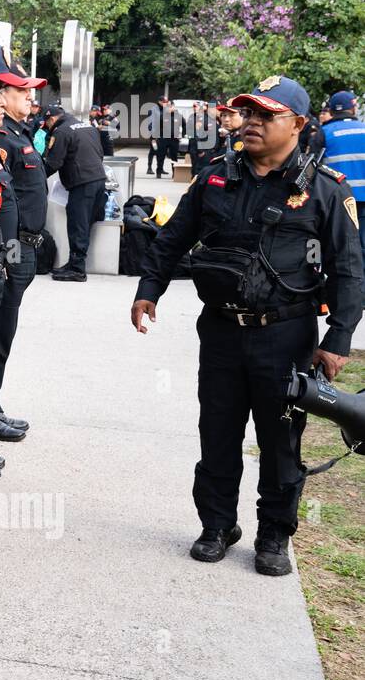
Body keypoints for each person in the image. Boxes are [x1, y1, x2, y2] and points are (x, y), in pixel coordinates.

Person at [132, 76, 363, 576]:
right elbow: (173, 238)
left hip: (286, 336)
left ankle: (274, 535)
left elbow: (349, 269)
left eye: (266, 115)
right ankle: (217, 525)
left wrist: (338, 338)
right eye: (247, 114)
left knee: (280, 442)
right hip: (220, 332)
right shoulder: (217, 174)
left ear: (299, 124)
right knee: (216, 432)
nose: (251, 123)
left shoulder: (325, 189)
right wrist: (149, 288)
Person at [0, 61, 47, 438]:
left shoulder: (19, 132)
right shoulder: (2, 136)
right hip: (13, 247)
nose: (30, 96)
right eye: (23, 91)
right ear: (2, 96)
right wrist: (7, 256)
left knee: (4, 332)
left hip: (25, 245)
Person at [43, 104, 107, 282]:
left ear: (52, 119)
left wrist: (36, 177)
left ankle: (78, 269)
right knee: (84, 224)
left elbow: (53, 163)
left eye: (47, 123)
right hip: (98, 180)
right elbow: (100, 154)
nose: (47, 127)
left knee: (78, 225)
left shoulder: (61, 131)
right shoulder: (87, 126)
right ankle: (73, 263)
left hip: (82, 184)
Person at [320, 90, 365, 255]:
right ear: (353, 109)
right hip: (363, 200)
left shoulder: (323, 132)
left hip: (336, 201)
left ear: (331, 111)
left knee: (341, 247)